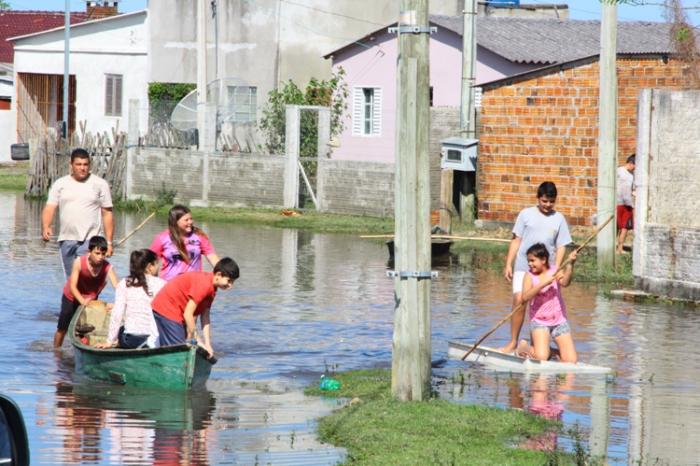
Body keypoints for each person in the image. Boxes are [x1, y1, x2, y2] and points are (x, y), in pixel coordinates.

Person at [501, 181, 572, 354]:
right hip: (523, 266)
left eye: (551, 202)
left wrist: (558, 267)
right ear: (538, 198)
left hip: (547, 269)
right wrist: (508, 263)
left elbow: (562, 245)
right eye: (544, 201)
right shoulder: (526, 214)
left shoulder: (559, 219)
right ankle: (513, 342)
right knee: (520, 300)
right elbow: (516, 239)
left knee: (544, 303)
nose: (547, 205)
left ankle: (536, 346)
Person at [42, 148, 114, 278]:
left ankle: (89, 297)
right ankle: (73, 298)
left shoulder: (100, 184)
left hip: (90, 240)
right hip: (66, 239)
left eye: (85, 164)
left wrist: (109, 243)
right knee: (71, 280)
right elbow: (50, 207)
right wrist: (46, 226)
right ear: (71, 165)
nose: (82, 168)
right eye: (79, 164)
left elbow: (107, 213)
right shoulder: (60, 184)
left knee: (86, 276)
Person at [151, 257, 239, 358]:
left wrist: (208, 344)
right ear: (218, 274)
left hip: (177, 312)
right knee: (178, 349)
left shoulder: (212, 290)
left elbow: (205, 317)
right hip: (166, 309)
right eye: (229, 281)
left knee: (180, 345)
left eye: (232, 282)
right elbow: (188, 314)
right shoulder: (204, 285)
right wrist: (198, 340)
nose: (230, 285)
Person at [516, 243, 578, 363]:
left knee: (571, 361)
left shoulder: (555, 270)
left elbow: (565, 283)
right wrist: (542, 284)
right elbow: (524, 297)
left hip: (559, 321)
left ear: (543, 260)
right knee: (541, 358)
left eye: (533, 261)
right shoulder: (529, 276)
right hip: (539, 322)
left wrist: (570, 265)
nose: (529, 264)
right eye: (528, 261)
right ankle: (524, 346)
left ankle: (549, 350)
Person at [54, 236, 118, 348]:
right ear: (89, 252)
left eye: (103, 254)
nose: (100, 257)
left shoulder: (108, 267)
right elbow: (73, 287)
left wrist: (117, 304)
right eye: (97, 253)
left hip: (91, 299)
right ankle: (56, 352)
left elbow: (118, 288)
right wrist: (82, 301)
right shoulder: (79, 262)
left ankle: (81, 350)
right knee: (62, 328)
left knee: (88, 329)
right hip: (71, 297)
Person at [96, 249, 166, 350]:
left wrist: (109, 341)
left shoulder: (124, 283)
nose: (159, 268)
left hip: (131, 339)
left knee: (121, 330)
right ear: (150, 267)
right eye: (156, 265)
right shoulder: (162, 284)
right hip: (156, 339)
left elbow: (117, 314)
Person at [150, 205, 220, 281]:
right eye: (186, 220)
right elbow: (150, 261)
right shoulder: (162, 238)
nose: (190, 222)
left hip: (193, 284)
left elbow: (212, 257)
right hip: (169, 284)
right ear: (175, 222)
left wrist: (223, 271)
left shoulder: (199, 236)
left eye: (191, 219)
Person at [616, 154, 636, 254]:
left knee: (625, 227)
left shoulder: (632, 175)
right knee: (615, 226)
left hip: (628, 204)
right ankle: (612, 248)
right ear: (631, 163)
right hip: (617, 203)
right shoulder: (619, 171)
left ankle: (620, 248)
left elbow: (632, 189)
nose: (635, 169)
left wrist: (634, 193)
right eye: (635, 166)